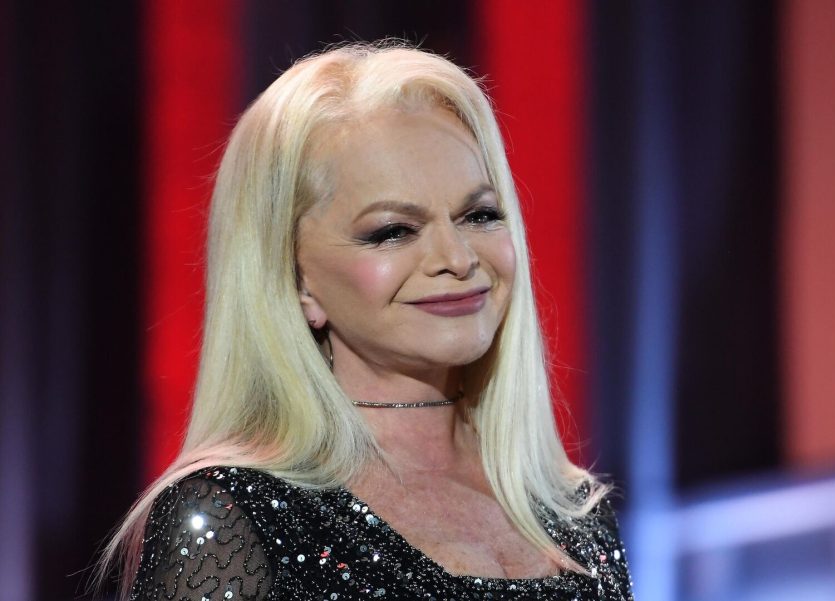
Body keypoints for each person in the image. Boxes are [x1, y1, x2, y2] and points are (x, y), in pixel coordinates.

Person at [101, 43, 634, 600]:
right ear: (294, 278)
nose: (457, 258)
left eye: (479, 215)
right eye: (393, 231)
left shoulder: (574, 512)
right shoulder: (235, 517)